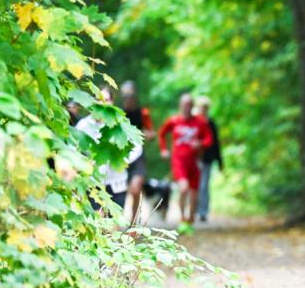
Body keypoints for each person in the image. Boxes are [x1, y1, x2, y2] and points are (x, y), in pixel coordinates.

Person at [75, 86, 142, 214]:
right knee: (98, 224)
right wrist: (84, 163)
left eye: (106, 100)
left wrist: (120, 158)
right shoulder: (83, 126)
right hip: (93, 184)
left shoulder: (121, 123)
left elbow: (137, 147)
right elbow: (72, 150)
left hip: (117, 184)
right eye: (99, 99)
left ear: (112, 102)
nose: (103, 103)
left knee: (112, 229)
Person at [158, 93, 212, 234]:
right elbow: (162, 133)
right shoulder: (174, 120)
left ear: (193, 106)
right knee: (183, 188)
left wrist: (199, 144)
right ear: (180, 106)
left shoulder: (200, 122)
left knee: (194, 195)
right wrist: (163, 149)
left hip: (194, 163)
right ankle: (182, 219)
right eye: (184, 104)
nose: (187, 107)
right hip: (179, 161)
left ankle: (190, 220)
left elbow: (209, 140)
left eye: (189, 105)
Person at [119, 80, 155, 223]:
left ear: (135, 96)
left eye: (130, 96)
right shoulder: (117, 113)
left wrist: (143, 134)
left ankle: (134, 223)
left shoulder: (143, 113)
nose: (127, 99)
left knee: (135, 189)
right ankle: (114, 223)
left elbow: (152, 133)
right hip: (120, 156)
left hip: (138, 156)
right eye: (125, 96)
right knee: (119, 191)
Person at [193, 96, 223, 222]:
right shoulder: (193, 121)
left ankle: (203, 212)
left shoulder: (211, 123)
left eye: (205, 107)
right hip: (193, 159)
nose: (203, 109)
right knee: (194, 185)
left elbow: (215, 143)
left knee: (204, 185)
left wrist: (220, 161)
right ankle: (192, 210)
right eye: (201, 107)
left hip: (207, 159)